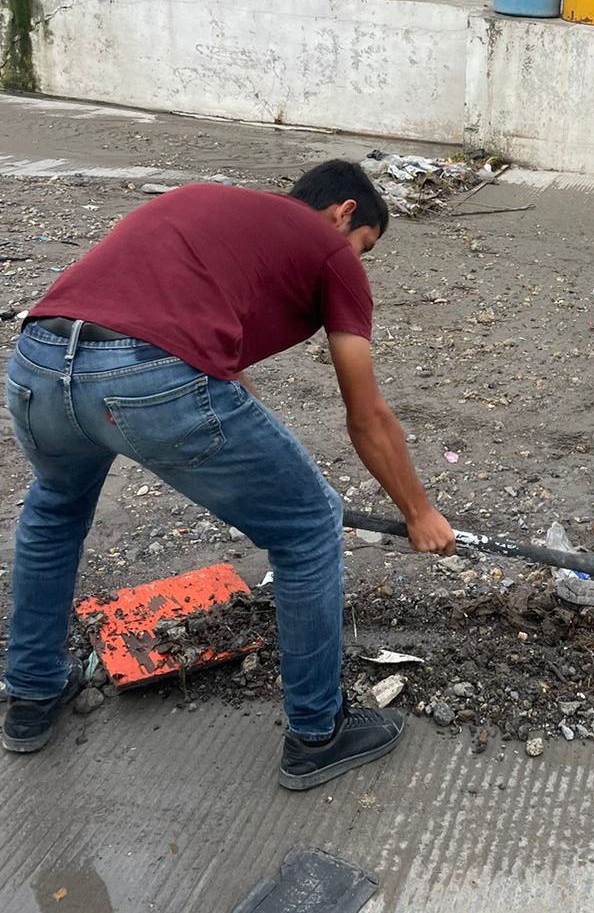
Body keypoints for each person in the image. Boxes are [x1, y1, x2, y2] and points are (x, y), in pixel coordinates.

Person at [2, 161, 456, 789]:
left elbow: (176, 329)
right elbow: (367, 416)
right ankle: (317, 734)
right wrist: (418, 512)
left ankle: (31, 693)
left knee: (54, 510)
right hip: (147, 376)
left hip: (37, 363)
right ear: (345, 211)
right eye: (366, 246)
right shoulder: (330, 249)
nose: (360, 260)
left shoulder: (208, 205)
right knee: (307, 528)